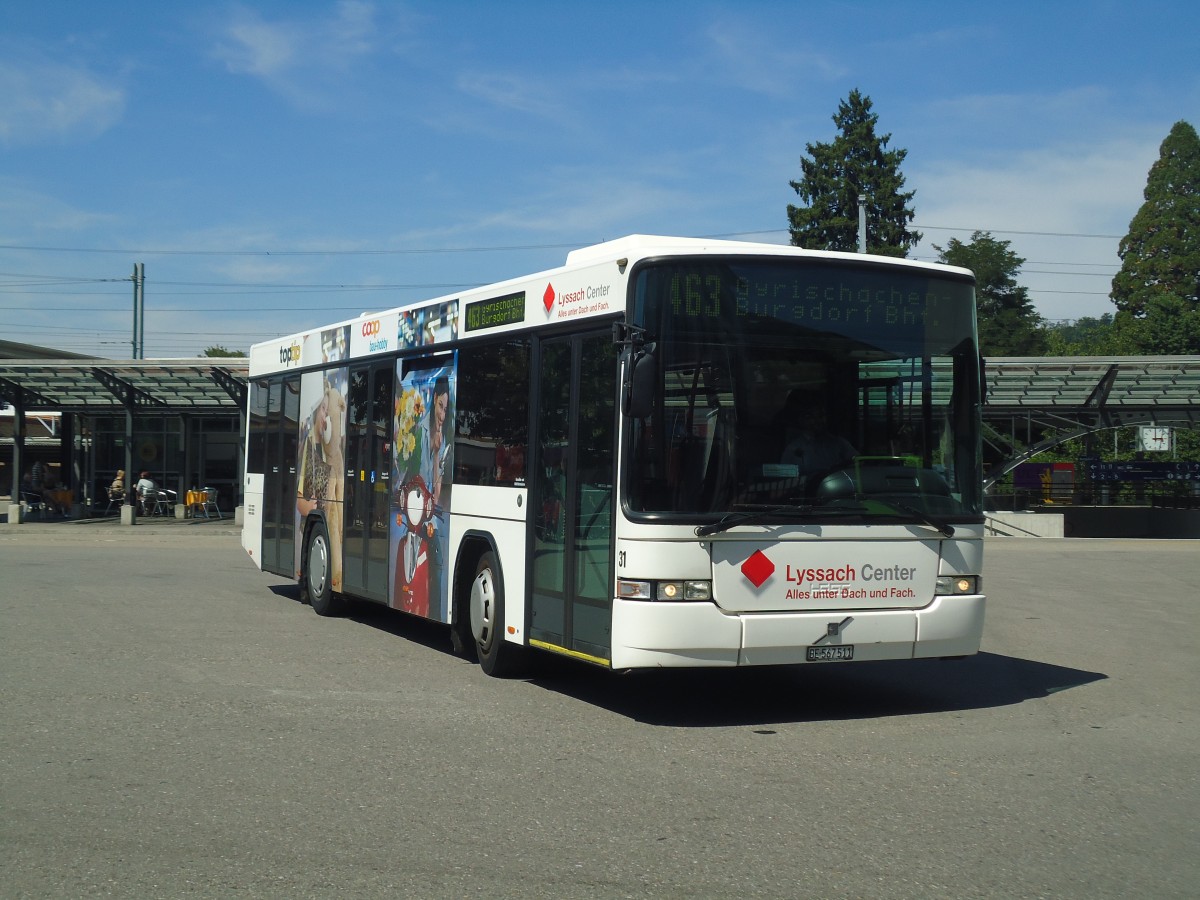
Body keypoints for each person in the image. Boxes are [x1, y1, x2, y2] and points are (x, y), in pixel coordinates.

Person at [778, 393, 857, 487]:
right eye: (810, 417)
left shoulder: (839, 443)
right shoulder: (793, 449)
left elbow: (858, 462)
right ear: (801, 420)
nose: (817, 421)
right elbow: (785, 480)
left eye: (821, 415)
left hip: (838, 489)